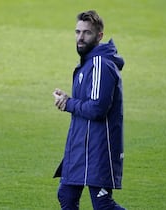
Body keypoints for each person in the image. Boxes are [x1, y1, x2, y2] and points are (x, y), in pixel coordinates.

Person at [52, 10, 125, 210]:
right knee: (66, 195)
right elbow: (87, 102)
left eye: (87, 33)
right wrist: (68, 100)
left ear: (99, 36)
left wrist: (69, 103)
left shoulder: (100, 64)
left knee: (102, 204)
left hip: (98, 148)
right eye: (77, 32)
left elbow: (97, 109)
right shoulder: (87, 64)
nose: (80, 38)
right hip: (80, 145)